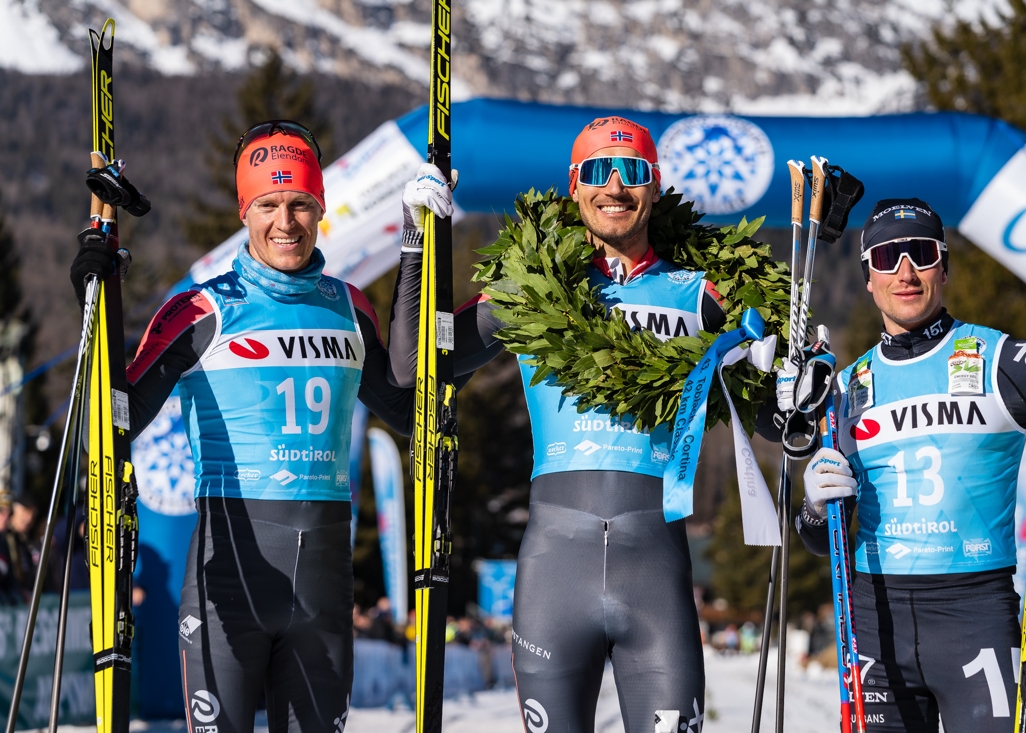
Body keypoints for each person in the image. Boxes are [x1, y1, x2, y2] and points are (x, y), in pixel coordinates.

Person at [69, 120, 416, 733]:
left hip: (324, 588)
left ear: (321, 208)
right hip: (228, 584)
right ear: (244, 212)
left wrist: (418, 257)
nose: (286, 222)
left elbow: (410, 410)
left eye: (300, 203)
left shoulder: (349, 306)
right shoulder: (199, 310)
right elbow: (115, 418)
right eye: (268, 205)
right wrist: (94, 297)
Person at [391, 117, 726, 732]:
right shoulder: (530, 289)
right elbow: (415, 365)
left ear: (655, 187)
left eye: (632, 172)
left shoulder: (701, 296)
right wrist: (416, 240)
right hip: (555, 571)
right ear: (574, 186)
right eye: (597, 171)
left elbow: (777, 412)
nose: (615, 187)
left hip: (657, 575)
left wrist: (794, 381)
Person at [794, 198, 1026, 732]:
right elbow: (823, 542)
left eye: (921, 253)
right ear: (868, 277)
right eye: (887, 257)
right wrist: (815, 509)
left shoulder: (999, 359)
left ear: (944, 266)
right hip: (873, 622)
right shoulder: (845, 389)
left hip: (975, 615)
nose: (905, 272)